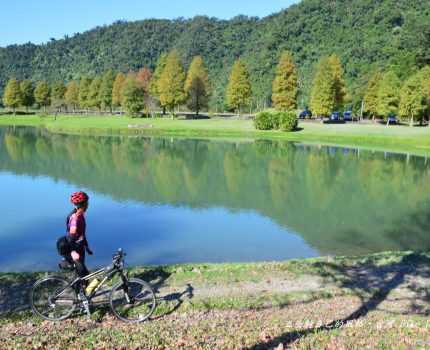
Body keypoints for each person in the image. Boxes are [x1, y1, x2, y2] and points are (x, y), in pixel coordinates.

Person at [66, 191, 93, 278]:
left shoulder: (80, 215)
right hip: (75, 249)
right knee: (83, 275)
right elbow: (71, 234)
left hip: (80, 247)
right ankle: (79, 290)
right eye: (87, 203)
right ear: (84, 204)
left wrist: (86, 246)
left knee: (81, 275)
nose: (88, 205)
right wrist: (73, 252)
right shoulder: (75, 218)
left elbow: (81, 234)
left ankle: (80, 290)